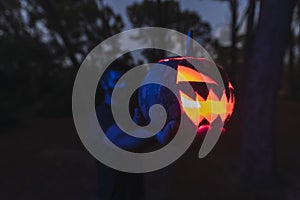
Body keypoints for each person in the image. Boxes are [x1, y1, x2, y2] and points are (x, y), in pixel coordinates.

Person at [96, 65, 177, 200]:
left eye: (123, 80)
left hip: (135, 191)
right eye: (116, 81)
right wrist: (157, 136)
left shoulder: (128, 112)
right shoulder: (103, 114)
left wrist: (139, 128)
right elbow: (120, 142)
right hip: (113, 193)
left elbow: (136, 141)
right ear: (104, 84)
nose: (122, 85)